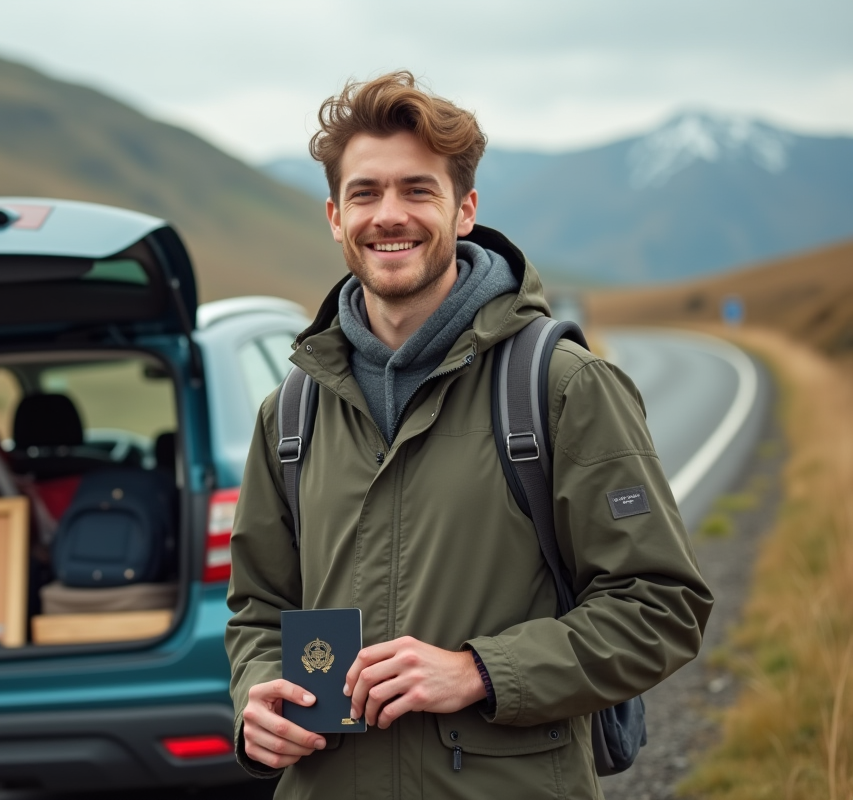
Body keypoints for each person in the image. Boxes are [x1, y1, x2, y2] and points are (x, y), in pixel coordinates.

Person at [224, 71, 713, 799]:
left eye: (418, 190)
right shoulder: (290, 414)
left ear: (464, 210)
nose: (389, 214)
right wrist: (258, 698)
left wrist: (482, 670)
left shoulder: (561, 387)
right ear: (335, 216)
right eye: (365, 193)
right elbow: (259, 610)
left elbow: (661, 604)